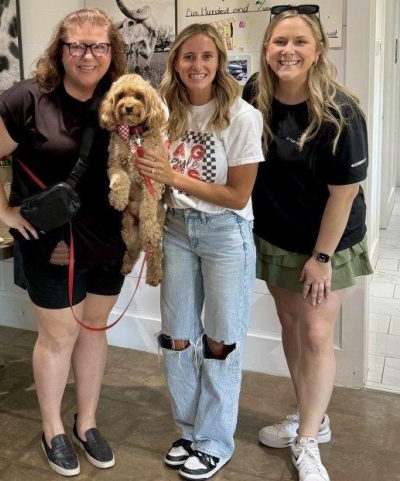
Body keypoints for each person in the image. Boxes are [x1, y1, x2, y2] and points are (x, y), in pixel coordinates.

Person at [0, 8, 127, 478]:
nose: (88, 55)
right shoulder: (28, 99)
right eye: (77, 45)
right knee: (59, 336)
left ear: (111, 51)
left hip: (109, 238)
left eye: (99, 46)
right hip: (52, 240)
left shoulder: (119, 97)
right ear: (60, 50)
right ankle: (53, 427)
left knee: (94, 329)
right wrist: (3, 212)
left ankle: (87, 422)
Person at [242, 5, 373, 481]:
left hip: (329, 242)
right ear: (266, 49)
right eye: (280, 41)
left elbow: (345, 194)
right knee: (292, 325)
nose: (288, 50)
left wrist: (321, 258)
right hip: (277, 236)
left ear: (318, 50)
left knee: (317, 334)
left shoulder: (341, 110)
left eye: (300, 41)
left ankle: (308, 440)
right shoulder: (254, 95)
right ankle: (310, 417)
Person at [136, 23, 264, 480]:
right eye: (188, 56)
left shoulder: (242, 116)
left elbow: (237, 195)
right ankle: (190, 431)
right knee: (177, 336)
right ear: (175, 62)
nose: (197, 65)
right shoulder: (163, 112)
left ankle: (215, 440)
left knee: (220, 340)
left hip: (224, 234)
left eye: (207, 56)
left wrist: (174, 177)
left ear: (220, 62)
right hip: (174, 228)